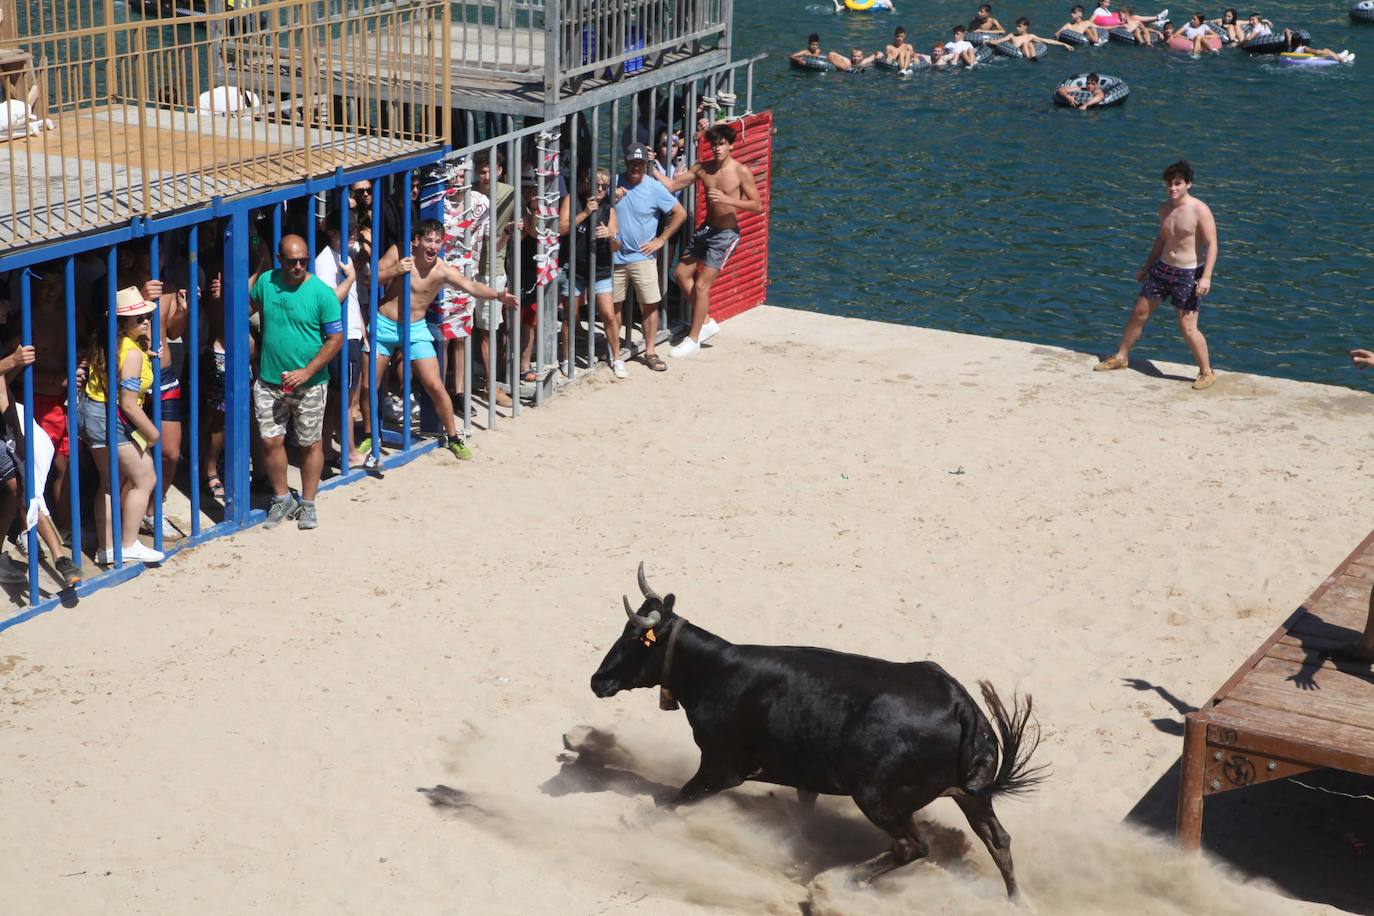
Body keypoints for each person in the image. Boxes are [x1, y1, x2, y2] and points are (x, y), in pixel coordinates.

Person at [375, 220, 519, 454]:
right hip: (385, 324)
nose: (433, 246)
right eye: (428, 240)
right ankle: (371, 436)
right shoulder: (399, 252)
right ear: (417, 241)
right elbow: (370, 276)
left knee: (434, 384)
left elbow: (471, 287)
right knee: (370, 384)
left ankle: (453, 437)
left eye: (437, 241)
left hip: (416, 328)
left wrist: (498, 295)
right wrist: (395, 271)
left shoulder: (442, 270)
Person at [1094, 160, 1218, 391]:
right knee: (1139, 313)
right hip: (1162, 269)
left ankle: (1207, 371)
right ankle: (1121, 357)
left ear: (1188, 184)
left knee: (1188, 327)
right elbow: (1162, 240)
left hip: (1188, 273)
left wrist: (1206, 276)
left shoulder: (1199, 209)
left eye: (1178, 183)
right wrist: (1147, 266)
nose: (1173, 188)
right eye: (1169, 184)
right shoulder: (1164, 209)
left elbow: (1212, 244)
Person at [250, 234, 343, 531]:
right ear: (280, 260)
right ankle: (281, 498)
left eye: (303, 260)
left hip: (310, 384)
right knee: (270, 441)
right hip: (270, 381)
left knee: (310, 443)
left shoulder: (322, 294)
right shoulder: (266, 282)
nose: (299, 266)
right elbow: (245, 310)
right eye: (292, 261)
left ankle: (308, 503)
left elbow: (335, 340)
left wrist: (307, 371)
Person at [656, 124, 762, 359]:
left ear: (731, 145)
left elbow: (757, 206)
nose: (717, 148)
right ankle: (705, 321)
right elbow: (673, 185)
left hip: (725, 235)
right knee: (681, 275)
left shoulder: (740, 171)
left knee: (702, 285)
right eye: (713, 144)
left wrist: (728, 200)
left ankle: (693, 339)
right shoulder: (703, 169)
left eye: (722, 143)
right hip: (706, 230)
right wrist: (650, 168)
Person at [77, 287, 165, 564]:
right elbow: (127, 404)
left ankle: (107, 549)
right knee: (145, 478)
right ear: (123, 323)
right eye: (138, 319)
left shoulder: (109, 342)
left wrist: (146, 353)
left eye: (146, 315)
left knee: (108, 483)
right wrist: (153, 432)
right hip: (112, 417)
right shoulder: (132, 353)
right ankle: (128, 543)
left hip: (91, 412)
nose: (146, 321)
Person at [612, 145, 686, 373]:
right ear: (626, 163)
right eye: (632, 163)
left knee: (650, 306)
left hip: (644, 258)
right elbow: (596, 207)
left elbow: (680, 213)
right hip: (615, 257)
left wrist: (661, 240)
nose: (636, 167)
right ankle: (615, 354)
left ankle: (651, 351)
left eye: (640, 163)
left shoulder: (654, 188)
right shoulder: (613, 183)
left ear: (646, 165)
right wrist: (610, 200)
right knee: (613, 308)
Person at [314, 208, 367, 469]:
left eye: (354, 230)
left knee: (340, 398)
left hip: (352, 333)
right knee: (345, 399)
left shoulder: (344, 255)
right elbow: (329, 302)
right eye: (347, 231)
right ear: (333, 233)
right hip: (341, 337)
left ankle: (327, 449)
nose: (353, 235)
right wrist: (352, 277)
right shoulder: (325, 261)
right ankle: (349, 453)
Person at [563, 168, 624, 377]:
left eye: (604, 187)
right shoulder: (574, 199)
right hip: (574, 268)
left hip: (601, 268)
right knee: (571, 316)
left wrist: (610, 235)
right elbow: (561, 228)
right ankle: (566, 358)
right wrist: (585, 214)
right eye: (596, 185)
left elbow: (617, 246)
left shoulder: (610, 209)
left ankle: (616, 358)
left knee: (608, 314)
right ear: (587, 184)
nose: (600, 189)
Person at [472, 150, 517, 407]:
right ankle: (484, 383)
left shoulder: (510, 194)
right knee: (477, 330)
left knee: (490, 329)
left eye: (490, 169)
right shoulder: (471, 195)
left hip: (493, 270)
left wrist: (515, 229)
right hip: (469, 268)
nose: (485, 174)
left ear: (499, 170)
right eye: (482, 170)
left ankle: (492, 384)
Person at [989, 18, 1076, 58]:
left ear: (1025, 27)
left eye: (1019, 27)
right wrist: (988, 42)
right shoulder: (1012, 35)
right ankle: (1030, 58)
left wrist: (1063, 44)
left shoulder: (1030, 36)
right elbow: (1001, 41)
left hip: (1028, 54)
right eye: (1017, 26)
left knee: (1029, 43)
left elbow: (1046, 41)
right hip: (1017, 53)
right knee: (1025, 43)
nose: (1017, 28)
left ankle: (1033, 59)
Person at [1283, 30, 1354, 61]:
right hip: (1310, 59)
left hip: (1295, 57)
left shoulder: (1289, 46)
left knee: (1325, 51)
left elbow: (1288, 37)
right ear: (1300, 43)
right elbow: (1316, 52)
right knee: (1326, 50)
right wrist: (1327, 53)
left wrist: (1287, 32)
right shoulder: (1303, 49)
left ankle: (1339, 55)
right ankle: (1341, 59)